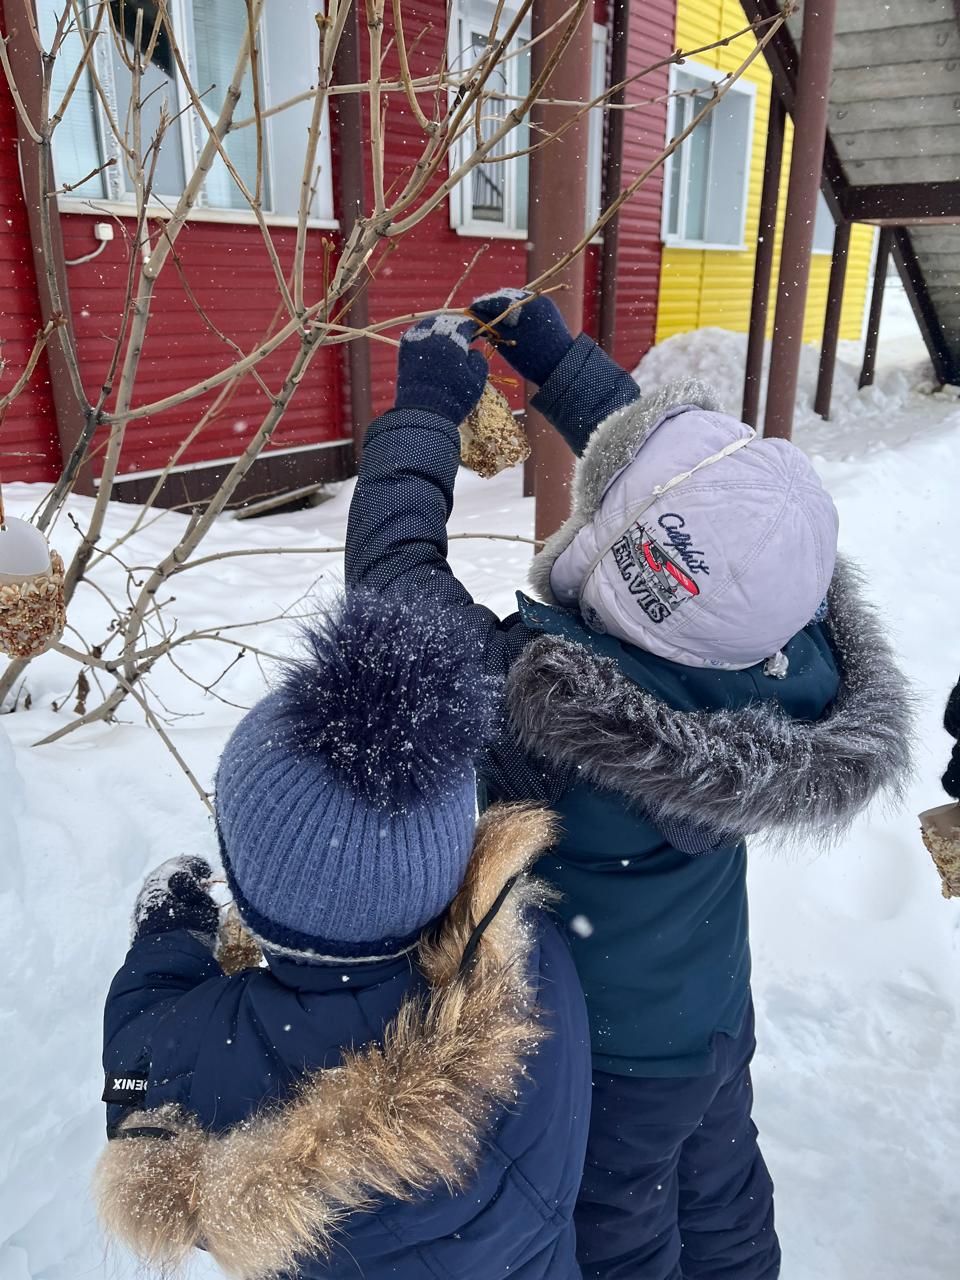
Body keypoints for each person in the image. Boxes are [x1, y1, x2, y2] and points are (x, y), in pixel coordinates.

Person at [345, 291, 914, 1280]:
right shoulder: (784, 670)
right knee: (724, 1190)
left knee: (622, 1234)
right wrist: (561, 365)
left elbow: (391, 578)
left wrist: (425, 414)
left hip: (604, 1059)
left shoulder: (547, 716)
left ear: (612, 554)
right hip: (709, 1014)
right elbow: (716, 514)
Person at [94, 590, 592, 1280]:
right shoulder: (529, 956)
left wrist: (168, 931)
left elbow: (141, 1059)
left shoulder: (220, 1061)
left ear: (250, 895)